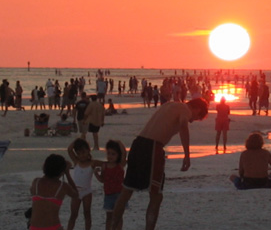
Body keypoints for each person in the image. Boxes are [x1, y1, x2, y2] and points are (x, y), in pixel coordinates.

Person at [111, 98, 208, 230]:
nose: (193, 120)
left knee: (127, 191)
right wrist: (187, 155)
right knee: (156, 196)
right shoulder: (184, 109)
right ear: (197, 108)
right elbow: (184, 126)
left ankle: (112, 227)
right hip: (152, 148)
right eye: (196, 117)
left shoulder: (170, 104)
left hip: (138, 144)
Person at [29, 154, 78, 230]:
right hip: (53, 227)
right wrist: (67, 173)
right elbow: (76, 194)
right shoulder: (62, 186)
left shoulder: (36, 182)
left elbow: (33, 192)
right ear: (61, 172)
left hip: (34, 227)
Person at [67, 138, 103, 230]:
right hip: (76, 191)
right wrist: (77, 140)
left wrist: (100, 171)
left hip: (87, 191)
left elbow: (106, 164)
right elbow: (69, 150)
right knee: (73, 215)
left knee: (87, 213)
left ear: (88, 151)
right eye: (79, 153)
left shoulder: (93, 163)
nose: (81, 155)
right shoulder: (76, 162)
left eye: (83, 152)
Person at [94, 140, 127, 230]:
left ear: (118, 155)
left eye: (113, 154)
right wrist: (96, 174)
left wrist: (119, 143)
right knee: (109, 217)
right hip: (108, 195)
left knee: (118, 217)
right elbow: (103, 180)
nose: (110, 156)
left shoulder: (120, 165)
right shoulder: (104, 166)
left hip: (119, 195)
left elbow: (124, 154)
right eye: (109, 153)